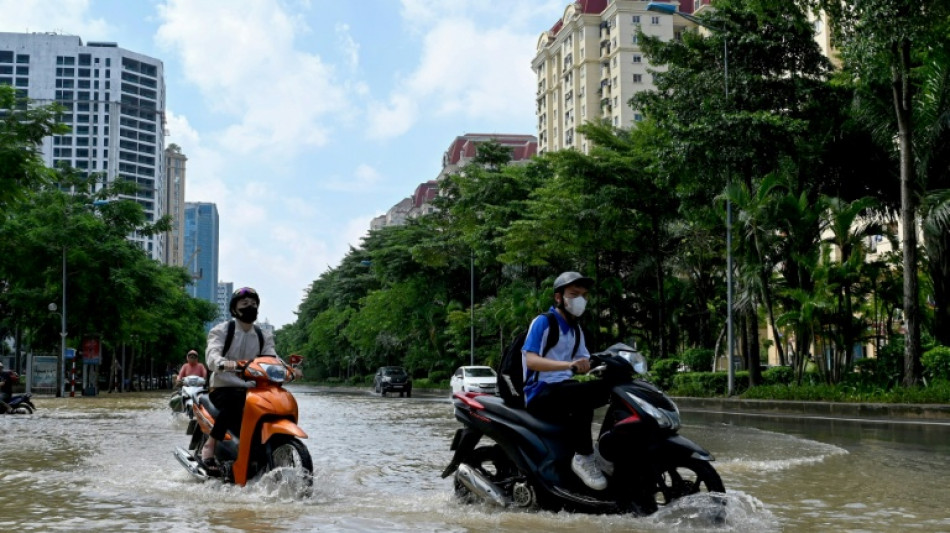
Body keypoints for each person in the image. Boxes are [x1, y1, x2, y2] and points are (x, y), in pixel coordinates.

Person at [522, 271, 611, 491]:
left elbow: (585, 359)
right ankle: (583, 456)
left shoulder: (576, 330)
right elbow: (531, 360)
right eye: (574, 294)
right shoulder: (544, 322)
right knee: (582, 393)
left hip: (562, 389)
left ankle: (605, 452)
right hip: (539, 391)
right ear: (559, 297)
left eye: (584, 295)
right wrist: (567, 366)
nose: (580, 299)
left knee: (609, 390)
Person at [200, 287, 277, 471]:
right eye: (245, 304)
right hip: (223, 387)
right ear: (234, 309)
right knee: (235, 403)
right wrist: (223, 363)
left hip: (252, 388)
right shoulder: (222, 330)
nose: (250, 307)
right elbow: (212, 355)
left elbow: (272, 357)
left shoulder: (263, 335)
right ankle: (210, 445)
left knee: (273, 404)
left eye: (253, 304)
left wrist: (289, 369)